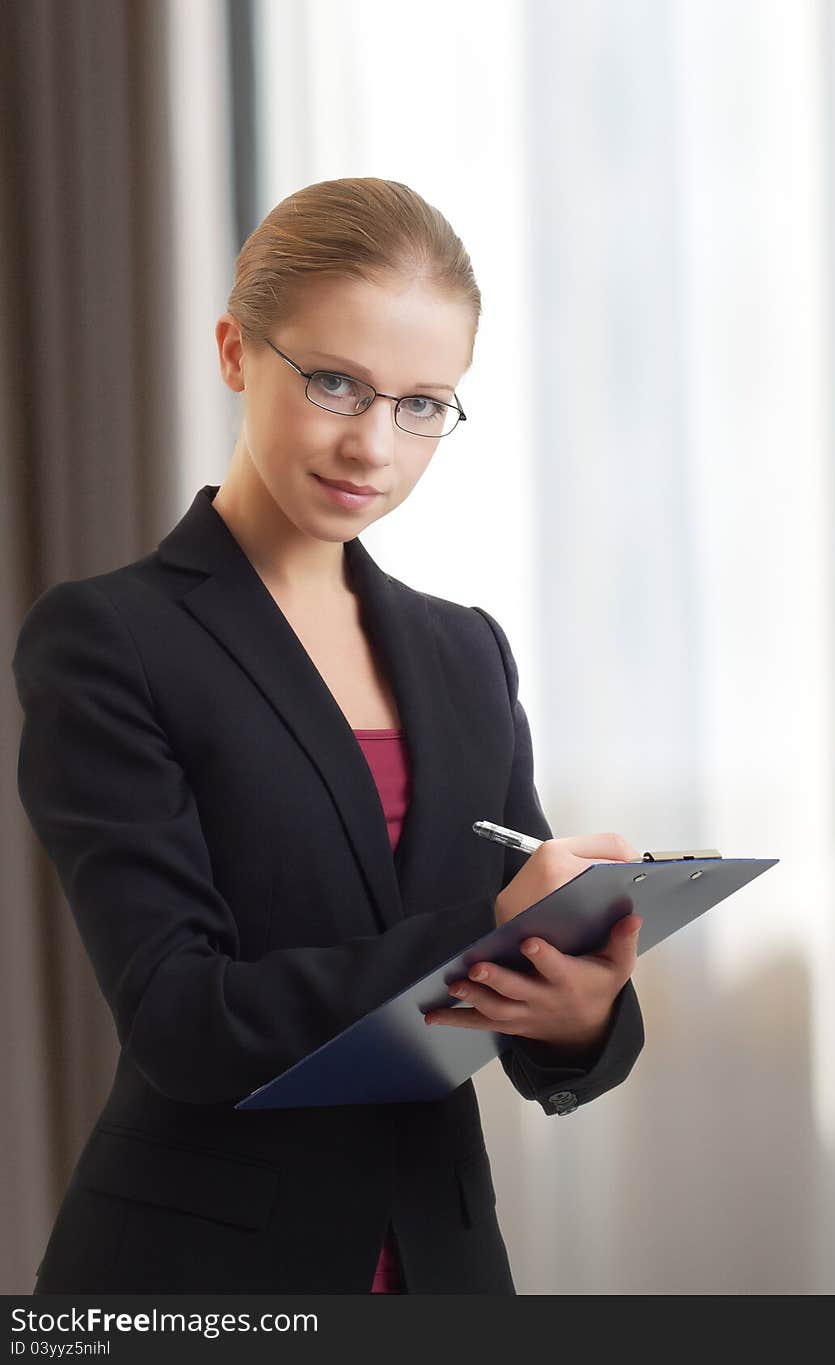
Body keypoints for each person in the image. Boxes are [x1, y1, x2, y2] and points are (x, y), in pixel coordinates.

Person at [11, 177, 645, 1295]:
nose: (371, 446)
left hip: (441, 1260)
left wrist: (577, 1008)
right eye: (336, 383)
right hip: (200, 1272)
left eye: (421, 403)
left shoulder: (465, 654)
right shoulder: (111, 639)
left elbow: (527, 966)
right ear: (234, 353)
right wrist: (480, 938)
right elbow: (177, 1017)